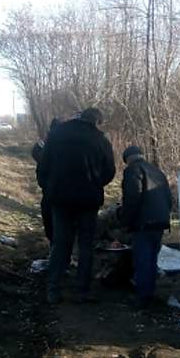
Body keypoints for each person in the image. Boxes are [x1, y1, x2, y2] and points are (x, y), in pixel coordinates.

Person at [38, 107, 115, 304]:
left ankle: (53, 289)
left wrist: (49, 187)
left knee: (60, 243)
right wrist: (95, 183)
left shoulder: (57, 133)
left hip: (60, 198)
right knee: (86, 245)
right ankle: (82, 291)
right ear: (97, 121)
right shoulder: (100, 140)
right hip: (88, 200)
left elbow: (43, 165)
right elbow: (109, 171)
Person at [119, 145, 172, 309]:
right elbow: (169, 199)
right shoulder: (157, 171)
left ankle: (143, 298)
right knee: (151, 259)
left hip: (144, 223)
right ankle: (149, 292)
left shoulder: (132, 171)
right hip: (160, 221)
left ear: (127, 160)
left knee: (142, 260)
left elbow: (132, 198)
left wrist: (125, 222)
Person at [31, 118, 59, 244]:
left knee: (53, 225)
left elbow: (37, 156)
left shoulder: (47, 144)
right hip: (54, 190)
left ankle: (55, 252)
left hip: (51, 191)